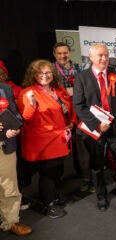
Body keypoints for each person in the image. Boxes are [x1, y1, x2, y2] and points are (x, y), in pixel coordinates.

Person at [73, 44, 116, 211]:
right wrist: (97, 124)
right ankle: (101, 196)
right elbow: (79, 106)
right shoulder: (81, 78)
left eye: (106, 55)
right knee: (97, 164)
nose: (104, 58)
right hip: (94, 130)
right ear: (91, 57)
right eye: (100, 55)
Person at [18, 59, 77, 218]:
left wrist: (72, 122)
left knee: (58, 170)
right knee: (48, 173)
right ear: (33, 74)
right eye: (40, 73)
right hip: (44, 142)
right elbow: (26, 118)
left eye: (48, 72)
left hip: (61, 138)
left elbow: (69, 108)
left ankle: (56, 196)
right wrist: (31, 104)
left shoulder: (58, 89)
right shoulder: (28, 92)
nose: (45, 75)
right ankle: (49, 204)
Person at [52, 42, 92, 192]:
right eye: (60, 53)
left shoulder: (79, 67)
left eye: (65, 53)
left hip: (79, 110)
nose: (63, 56)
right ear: (55, 54)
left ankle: (84, 174)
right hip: (60, 112)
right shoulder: (50, 69)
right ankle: (58, 180)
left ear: (69, 53)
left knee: (81, 143)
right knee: (61, 145)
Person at [0, 82, 32, 236]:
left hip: (4, 145)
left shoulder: (4, 88)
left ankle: (10, 221)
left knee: (9, 186)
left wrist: (15, 127)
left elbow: (15, 113)